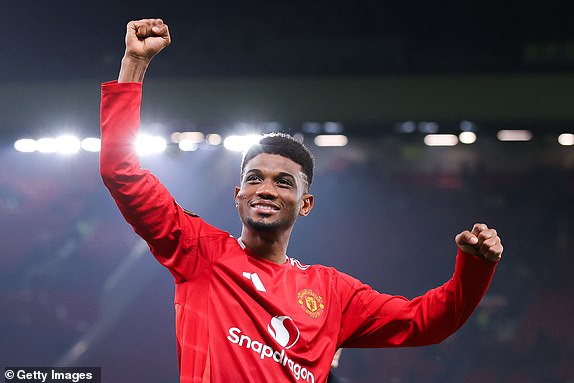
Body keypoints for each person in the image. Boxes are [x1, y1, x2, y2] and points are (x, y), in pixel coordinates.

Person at [99, 18, 503, 383]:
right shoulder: (200, 253)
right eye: (254, 179)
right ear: (237, 196)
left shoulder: (331, 293)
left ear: (305, 203)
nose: (266, 190)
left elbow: (425, 323)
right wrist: (133, 65)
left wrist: (475, 268)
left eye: (283, 182)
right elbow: (121, 170)